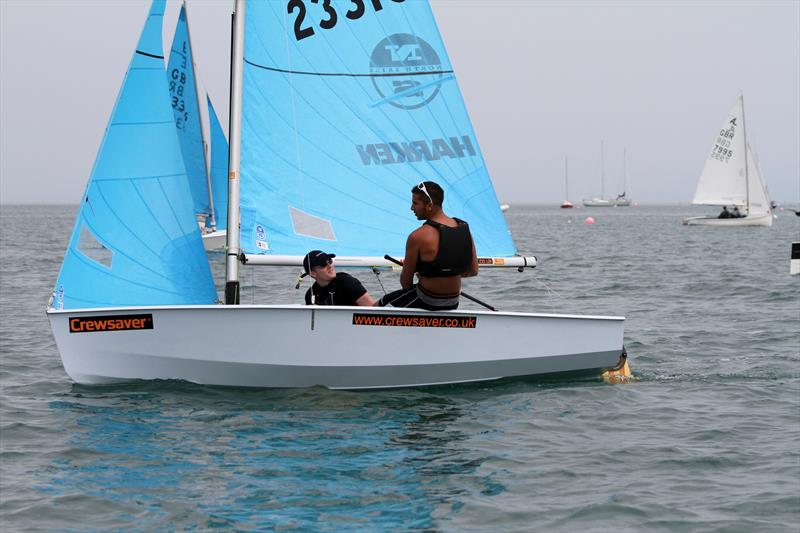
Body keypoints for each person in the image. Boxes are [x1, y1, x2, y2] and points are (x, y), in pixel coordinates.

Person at [378, 181, 478, 310]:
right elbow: (473, 271)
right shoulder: (464, 229)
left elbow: (406, 282)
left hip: (426, 300)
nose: (411, 208)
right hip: (453, 301)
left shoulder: (418, 236)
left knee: (378, 306)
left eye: (415, 203)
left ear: (429, 205)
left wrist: (428, 276)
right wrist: (438, 274)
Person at [302, 250, 376, 306]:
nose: (330, 266)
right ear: (313, 273)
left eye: (330, 261)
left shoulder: (347, 282)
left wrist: (384, 300)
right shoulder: (310, 295)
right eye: (323, 264)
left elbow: (372, 309)